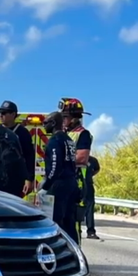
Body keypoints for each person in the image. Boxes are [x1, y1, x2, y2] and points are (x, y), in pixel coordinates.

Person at [40, 112, 80, 243]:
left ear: (53, 123)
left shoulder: (55, 141)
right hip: (71, 183)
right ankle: (74, 249)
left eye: (46, 123)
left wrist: (46, 186)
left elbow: (55, 166)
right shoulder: (68, 140)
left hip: (59, 185)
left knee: (56, 221)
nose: (44, 125)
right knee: (70, 221)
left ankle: (60, 250)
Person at [59, 98, 93, 241]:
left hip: (77, 183)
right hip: (62, 182)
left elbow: (82, 158)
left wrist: (61, 159)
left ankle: (75, 254)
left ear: (74, 117)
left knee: (73, 224)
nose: (63, 119)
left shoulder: (82, 134)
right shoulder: (63, 132)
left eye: (65, 116)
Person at [0, 100, 36, 197]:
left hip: (16, 178)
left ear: (13, 114)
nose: (0, 115)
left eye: (4, 113)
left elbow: (29, 156)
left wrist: (29, 179)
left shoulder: (22, 132)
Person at [84, 155, 101, 239]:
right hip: (77, 185)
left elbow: (97, 169)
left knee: (90, 209)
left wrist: (90, 175)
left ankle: (90, 231)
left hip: (88, 186)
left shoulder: (93, 160)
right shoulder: (74, 158)